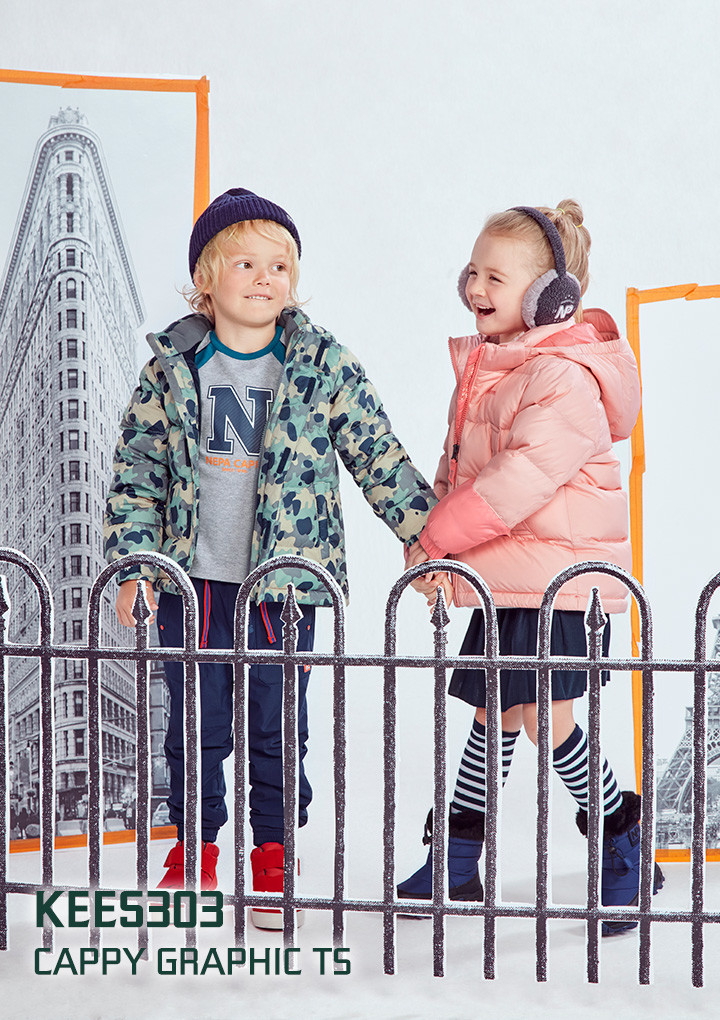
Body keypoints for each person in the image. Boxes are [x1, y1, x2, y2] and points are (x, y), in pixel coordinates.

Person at [104, 187, 436, 925]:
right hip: (193, 583)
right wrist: (134, 563)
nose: (264, 278)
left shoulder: (321, 363)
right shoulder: (173, 367)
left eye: (279, 266)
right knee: (195, 721)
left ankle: (273, 853)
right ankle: (194, 847)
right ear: (205, 278)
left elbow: (377, 452)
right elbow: (137, 473)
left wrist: (427, 538)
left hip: (285, 587)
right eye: (246, 263)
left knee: (277, 723)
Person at [398, 201, 663, 935]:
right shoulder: (489, 369)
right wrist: (431, 544)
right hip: (509, 577)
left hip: (560, 586)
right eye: (472, 271)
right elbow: (458, 468)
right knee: (495, 711)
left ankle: (623, 845)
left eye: (496, 276)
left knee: (546, 718)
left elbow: (515, 482)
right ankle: (458, 858)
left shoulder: (563, 377)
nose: (475, 287)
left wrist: (438, 541)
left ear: (550, 296)